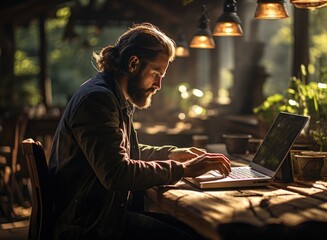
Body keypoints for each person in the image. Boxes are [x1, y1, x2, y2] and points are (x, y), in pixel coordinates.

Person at [48, 22, 231, 240]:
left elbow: (122, 152)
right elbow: (117, 173)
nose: (159, 84)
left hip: (102, 216)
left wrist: (170, 154)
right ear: (134, 63)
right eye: (156, 73)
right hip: (90, 226)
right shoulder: (98, 100)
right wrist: (182, 170)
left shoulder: (112, 95)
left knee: (195, 231)